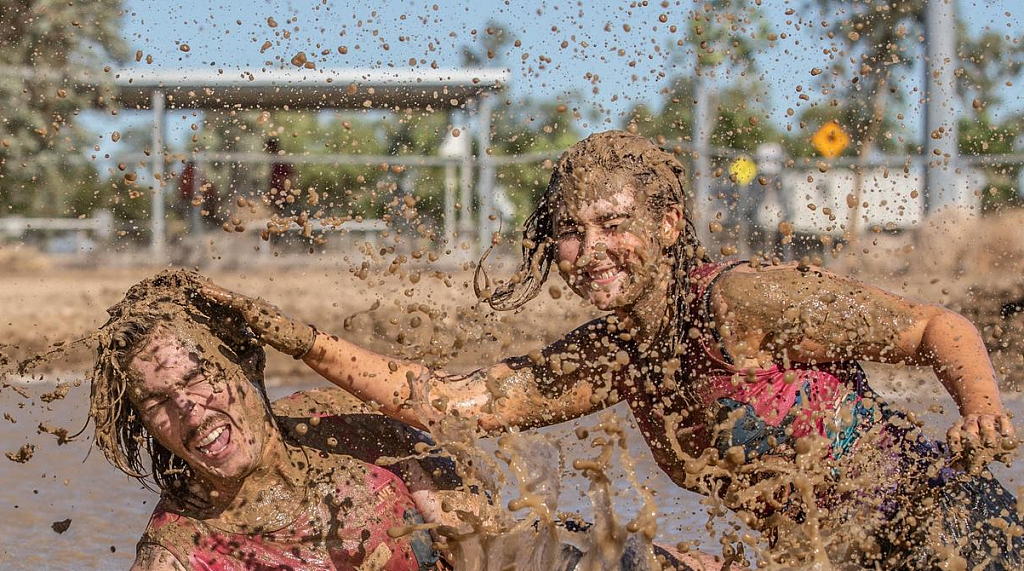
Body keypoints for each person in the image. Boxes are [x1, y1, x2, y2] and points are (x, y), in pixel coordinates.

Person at [200, 131, 1023, 569]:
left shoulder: (742, 298)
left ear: (667, 226)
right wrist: (289, 334)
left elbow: (934, 329)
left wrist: (982, 409)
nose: (590, 249)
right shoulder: (613, 357)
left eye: (613, 223)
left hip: (945, 529)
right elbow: (446, 402)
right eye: (570, 230)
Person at [91, 270, 718, 571]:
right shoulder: (178, 553)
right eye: (158, 402)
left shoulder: (346, 428)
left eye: (199, 378)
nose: (190, 410)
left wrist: (464, 528)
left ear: (247, 367)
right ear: (146, 425)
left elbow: (494, 539)